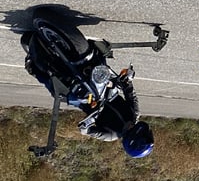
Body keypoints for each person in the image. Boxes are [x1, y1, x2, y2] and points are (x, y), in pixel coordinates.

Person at [25, 56, 154, 158]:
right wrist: (127, 81)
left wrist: (90, 120)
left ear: (133, 139)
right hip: (106, 89)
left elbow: (86, 131)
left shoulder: (110, 135)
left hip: (88, 102)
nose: (137, 127)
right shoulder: (134, 114)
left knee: (60, 93)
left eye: (142, 133)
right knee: (100, 60)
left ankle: (34, 70)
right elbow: (131, 96)